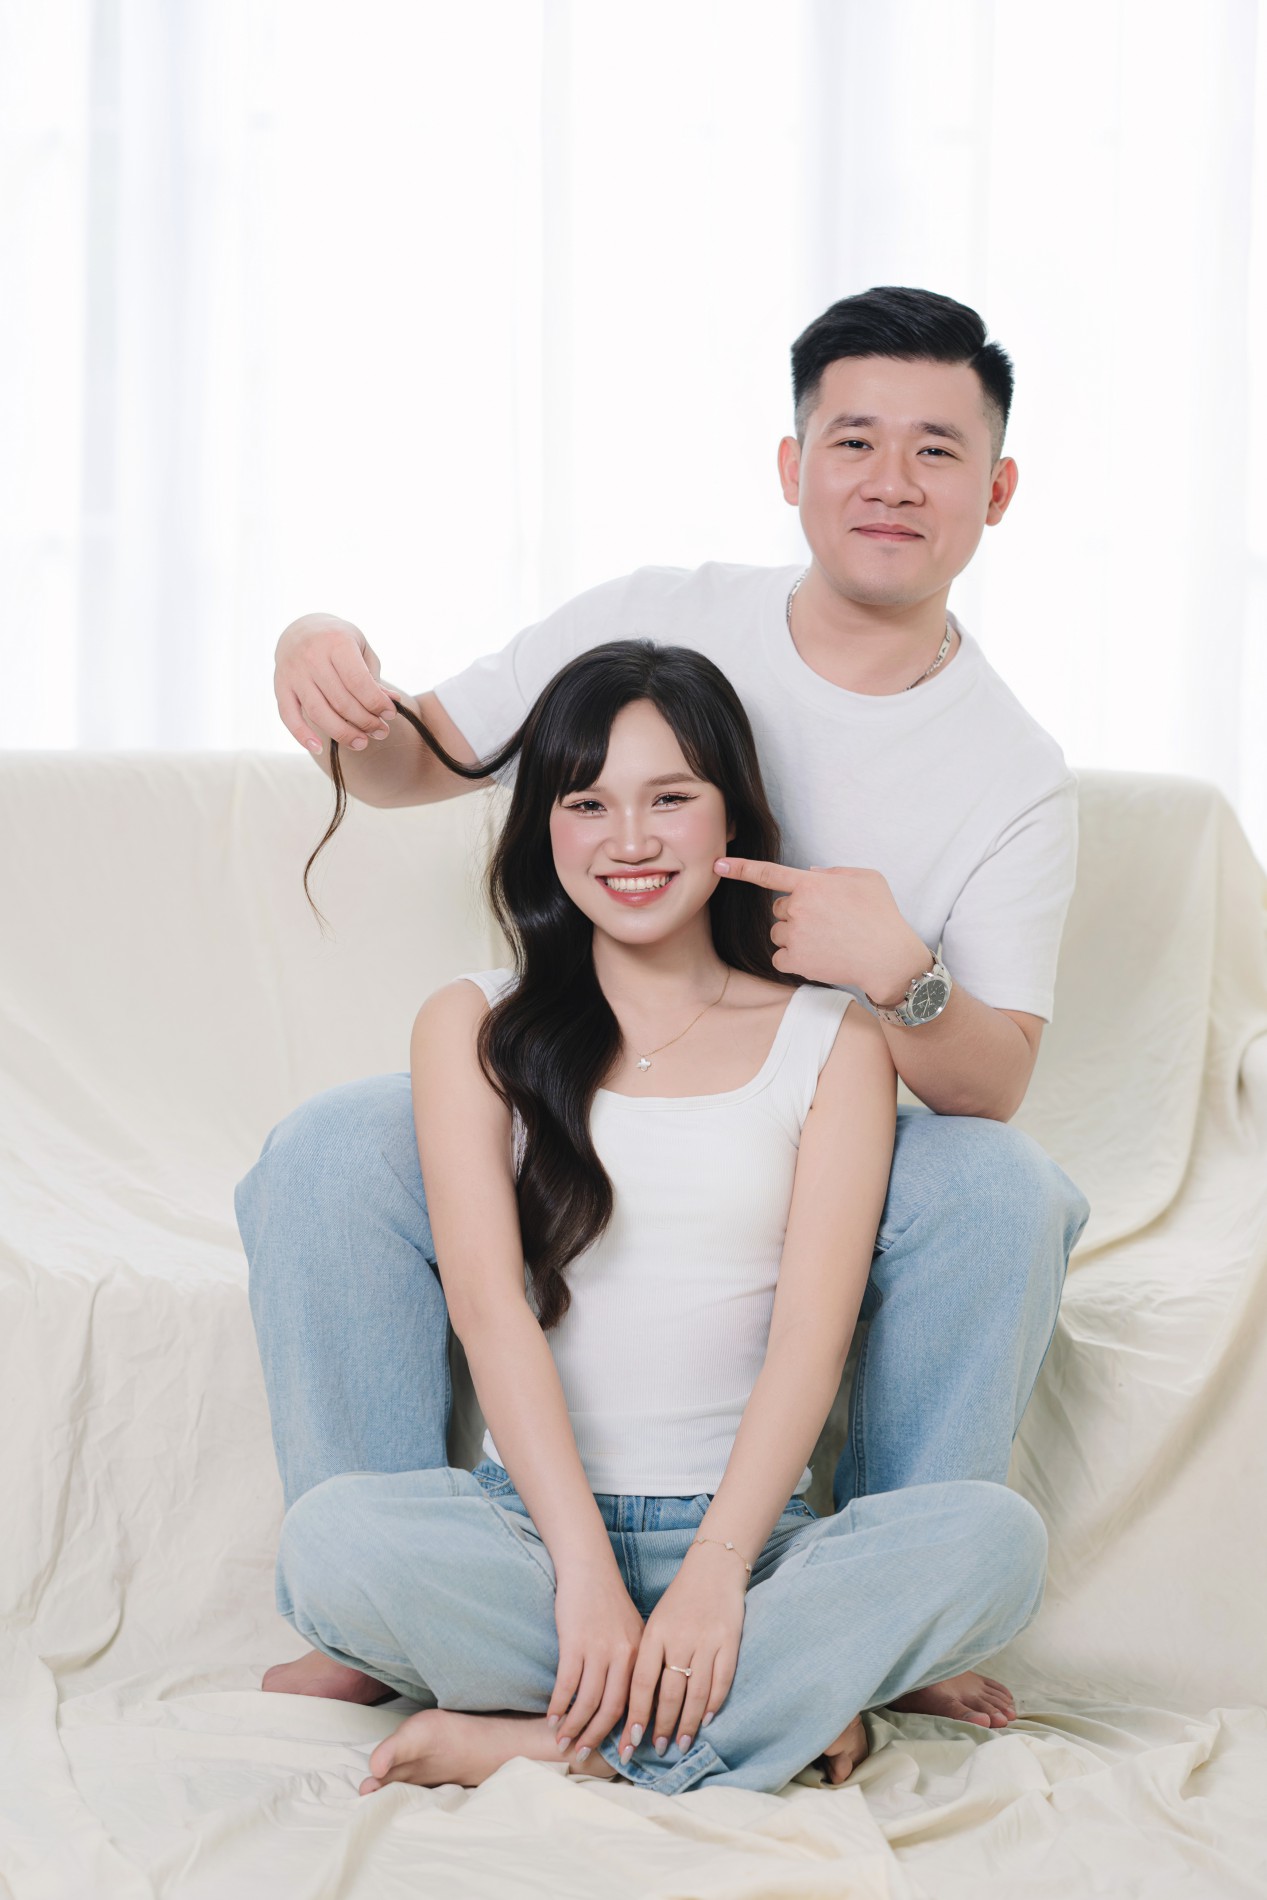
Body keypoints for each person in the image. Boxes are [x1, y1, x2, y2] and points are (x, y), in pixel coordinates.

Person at [238, 284, 1090, 1732]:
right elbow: (415, 761)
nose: (889, 481)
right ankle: (399, 1617)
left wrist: (898, 972)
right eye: (854, 441)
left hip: (813, 1106)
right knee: (326, 1149)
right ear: (792, 465)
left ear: (995, 491)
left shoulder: (1009, 770)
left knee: (1000, 1186)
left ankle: (870, 1599)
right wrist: (320, 658)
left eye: (936, 451)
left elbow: (987, 1081)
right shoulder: (657, 619)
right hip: (580, 1072)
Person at [273, 640, 1049, 1796]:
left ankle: (545, 1740)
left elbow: (810, 1342)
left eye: (670, 799)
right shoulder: (471, 1023)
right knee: (331, 1544)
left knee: (997, 1543)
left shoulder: (834, 1037)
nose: (628, 840)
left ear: (731, 812)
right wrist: (585, 1572)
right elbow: (489, 1311)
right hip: (532, 1536)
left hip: (751, 1543)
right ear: (543, 826)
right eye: (587, 803)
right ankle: (765, 1715)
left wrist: (719, 1573)